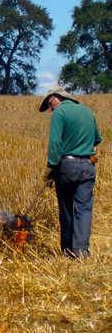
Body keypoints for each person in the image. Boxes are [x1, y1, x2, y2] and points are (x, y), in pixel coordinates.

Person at [39, 86, 102, 258]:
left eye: (50, 104)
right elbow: (98, 138)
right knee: (84, 209)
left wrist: (52, 167)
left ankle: (67, 251)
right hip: (88, 167)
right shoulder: (87, 111)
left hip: (67, 166)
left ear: (57, 97)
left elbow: (55, 143)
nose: (50, 108)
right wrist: (82, 146)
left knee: (66, 208)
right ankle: (81, 252)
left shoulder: (59, 113)